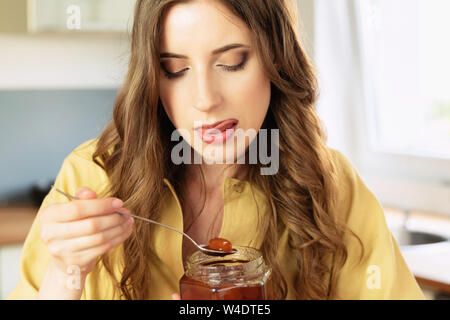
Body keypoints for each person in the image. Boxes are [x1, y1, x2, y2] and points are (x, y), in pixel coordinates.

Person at [9, 0, 424, 300]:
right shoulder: (93, 175)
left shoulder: (330, 184)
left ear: (276, 60)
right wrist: (66, 275)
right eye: (175, 69)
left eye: (231, 63)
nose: (204, 99)